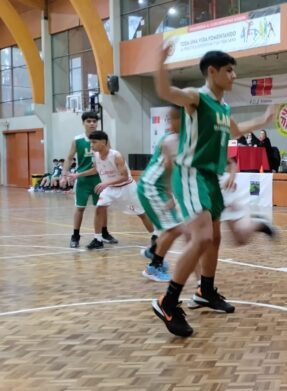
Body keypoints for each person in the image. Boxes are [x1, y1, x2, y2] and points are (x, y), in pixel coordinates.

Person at [152, 47, 275, 337]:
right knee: (203, 237)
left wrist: (261, 122)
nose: (234, 75)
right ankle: (167, 302)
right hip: (191, 174)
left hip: (211, 176)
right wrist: (160, 63)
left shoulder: (224, 107)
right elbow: (164, 90)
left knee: (215, 238)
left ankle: (206, 291)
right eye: (229, 70)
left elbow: (233, 130)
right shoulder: (197, 97)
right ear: (212, 71)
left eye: (234, 70)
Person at [73, 131, 157, 250]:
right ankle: (98, 239)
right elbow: (95, 170)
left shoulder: (116, 156)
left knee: (141, 214)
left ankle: (155, 235)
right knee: (99, 208)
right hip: (110, 188)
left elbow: (124, 176)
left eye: (94, 142)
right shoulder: (96, 155)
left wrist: (105, 183)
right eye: (91, 142)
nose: (91, 145)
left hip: (127, 188)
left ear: (103, 142)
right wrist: (78, 175)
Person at [137, 106, 185, 282]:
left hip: (153, 186)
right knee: (173, 228)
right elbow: (168, 166)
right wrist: (170, 194)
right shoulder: (174, 139)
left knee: (171, 227)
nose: (172, 123)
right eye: (171, 119)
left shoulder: (179, 138)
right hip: (152, 187)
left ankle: (153, 251)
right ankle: (154, 266)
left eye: (174, 119)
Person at [61, 111, 117, 248]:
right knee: (80, 208)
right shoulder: (77, 140)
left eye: (94, 121)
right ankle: (75, 236)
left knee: (102, 208)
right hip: (83, 180)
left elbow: (110, 155)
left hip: (100, 179)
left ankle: (104, 233)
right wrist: (64, 174)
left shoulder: (103, 139)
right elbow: (69, 158)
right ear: (83, 123)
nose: (92, 123)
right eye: (89, 121)